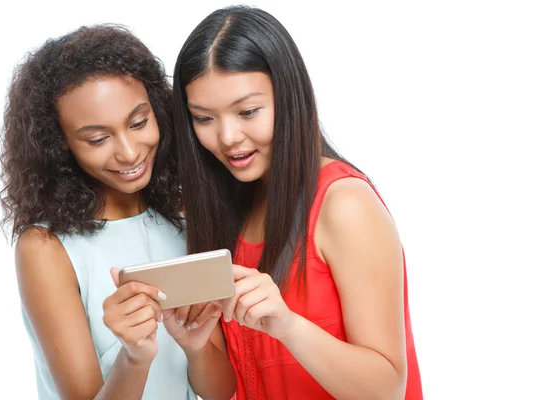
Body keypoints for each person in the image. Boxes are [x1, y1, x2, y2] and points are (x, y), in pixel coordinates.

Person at [172, 5, 423, 400]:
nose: (227, 137)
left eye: (248, 112)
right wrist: (195, 344)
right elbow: (223, 391)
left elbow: (387, 389)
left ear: (289, 98)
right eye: (204, 119)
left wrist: (287, 325)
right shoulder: (227, 209)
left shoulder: (344, 204)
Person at [0, 24, 235, 399]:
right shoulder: (45, 248)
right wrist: (135, 357)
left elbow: (221, 391)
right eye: (97, 138)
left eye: (139, 122)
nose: (128, 152)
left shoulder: (183, 219)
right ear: (59, 145)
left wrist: (195, 347)